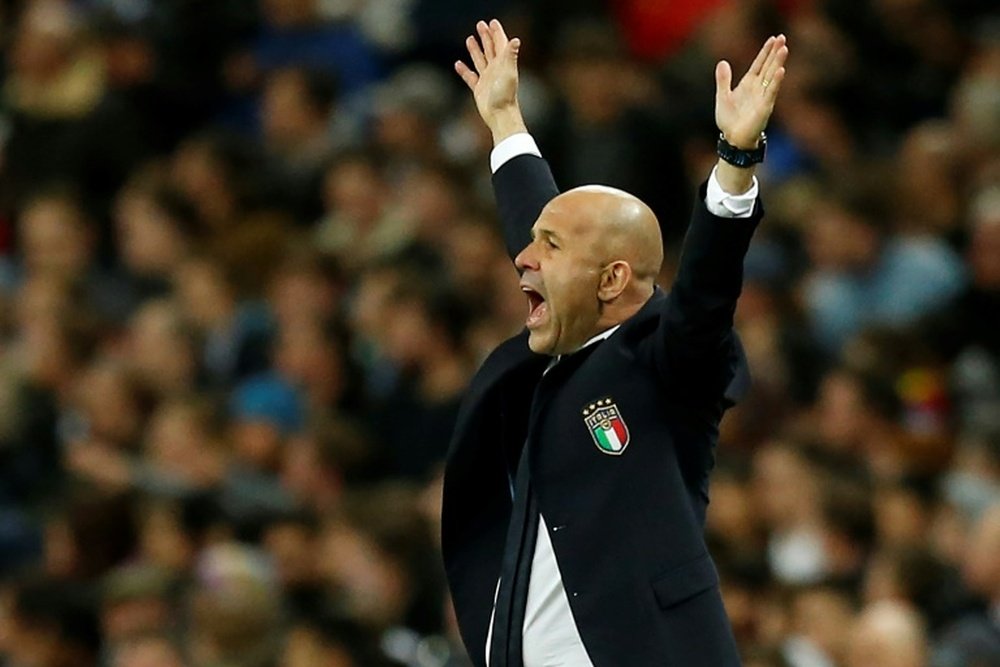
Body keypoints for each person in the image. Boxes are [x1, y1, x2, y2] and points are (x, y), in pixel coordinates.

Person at [442, 18, 787, 667]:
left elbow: (705, 300)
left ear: (614, 280)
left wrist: (734, 166)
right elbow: (548, 224)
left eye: (548, 248)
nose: (522, 257)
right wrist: (504, 120)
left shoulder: (665, 363)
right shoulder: (566, 332)